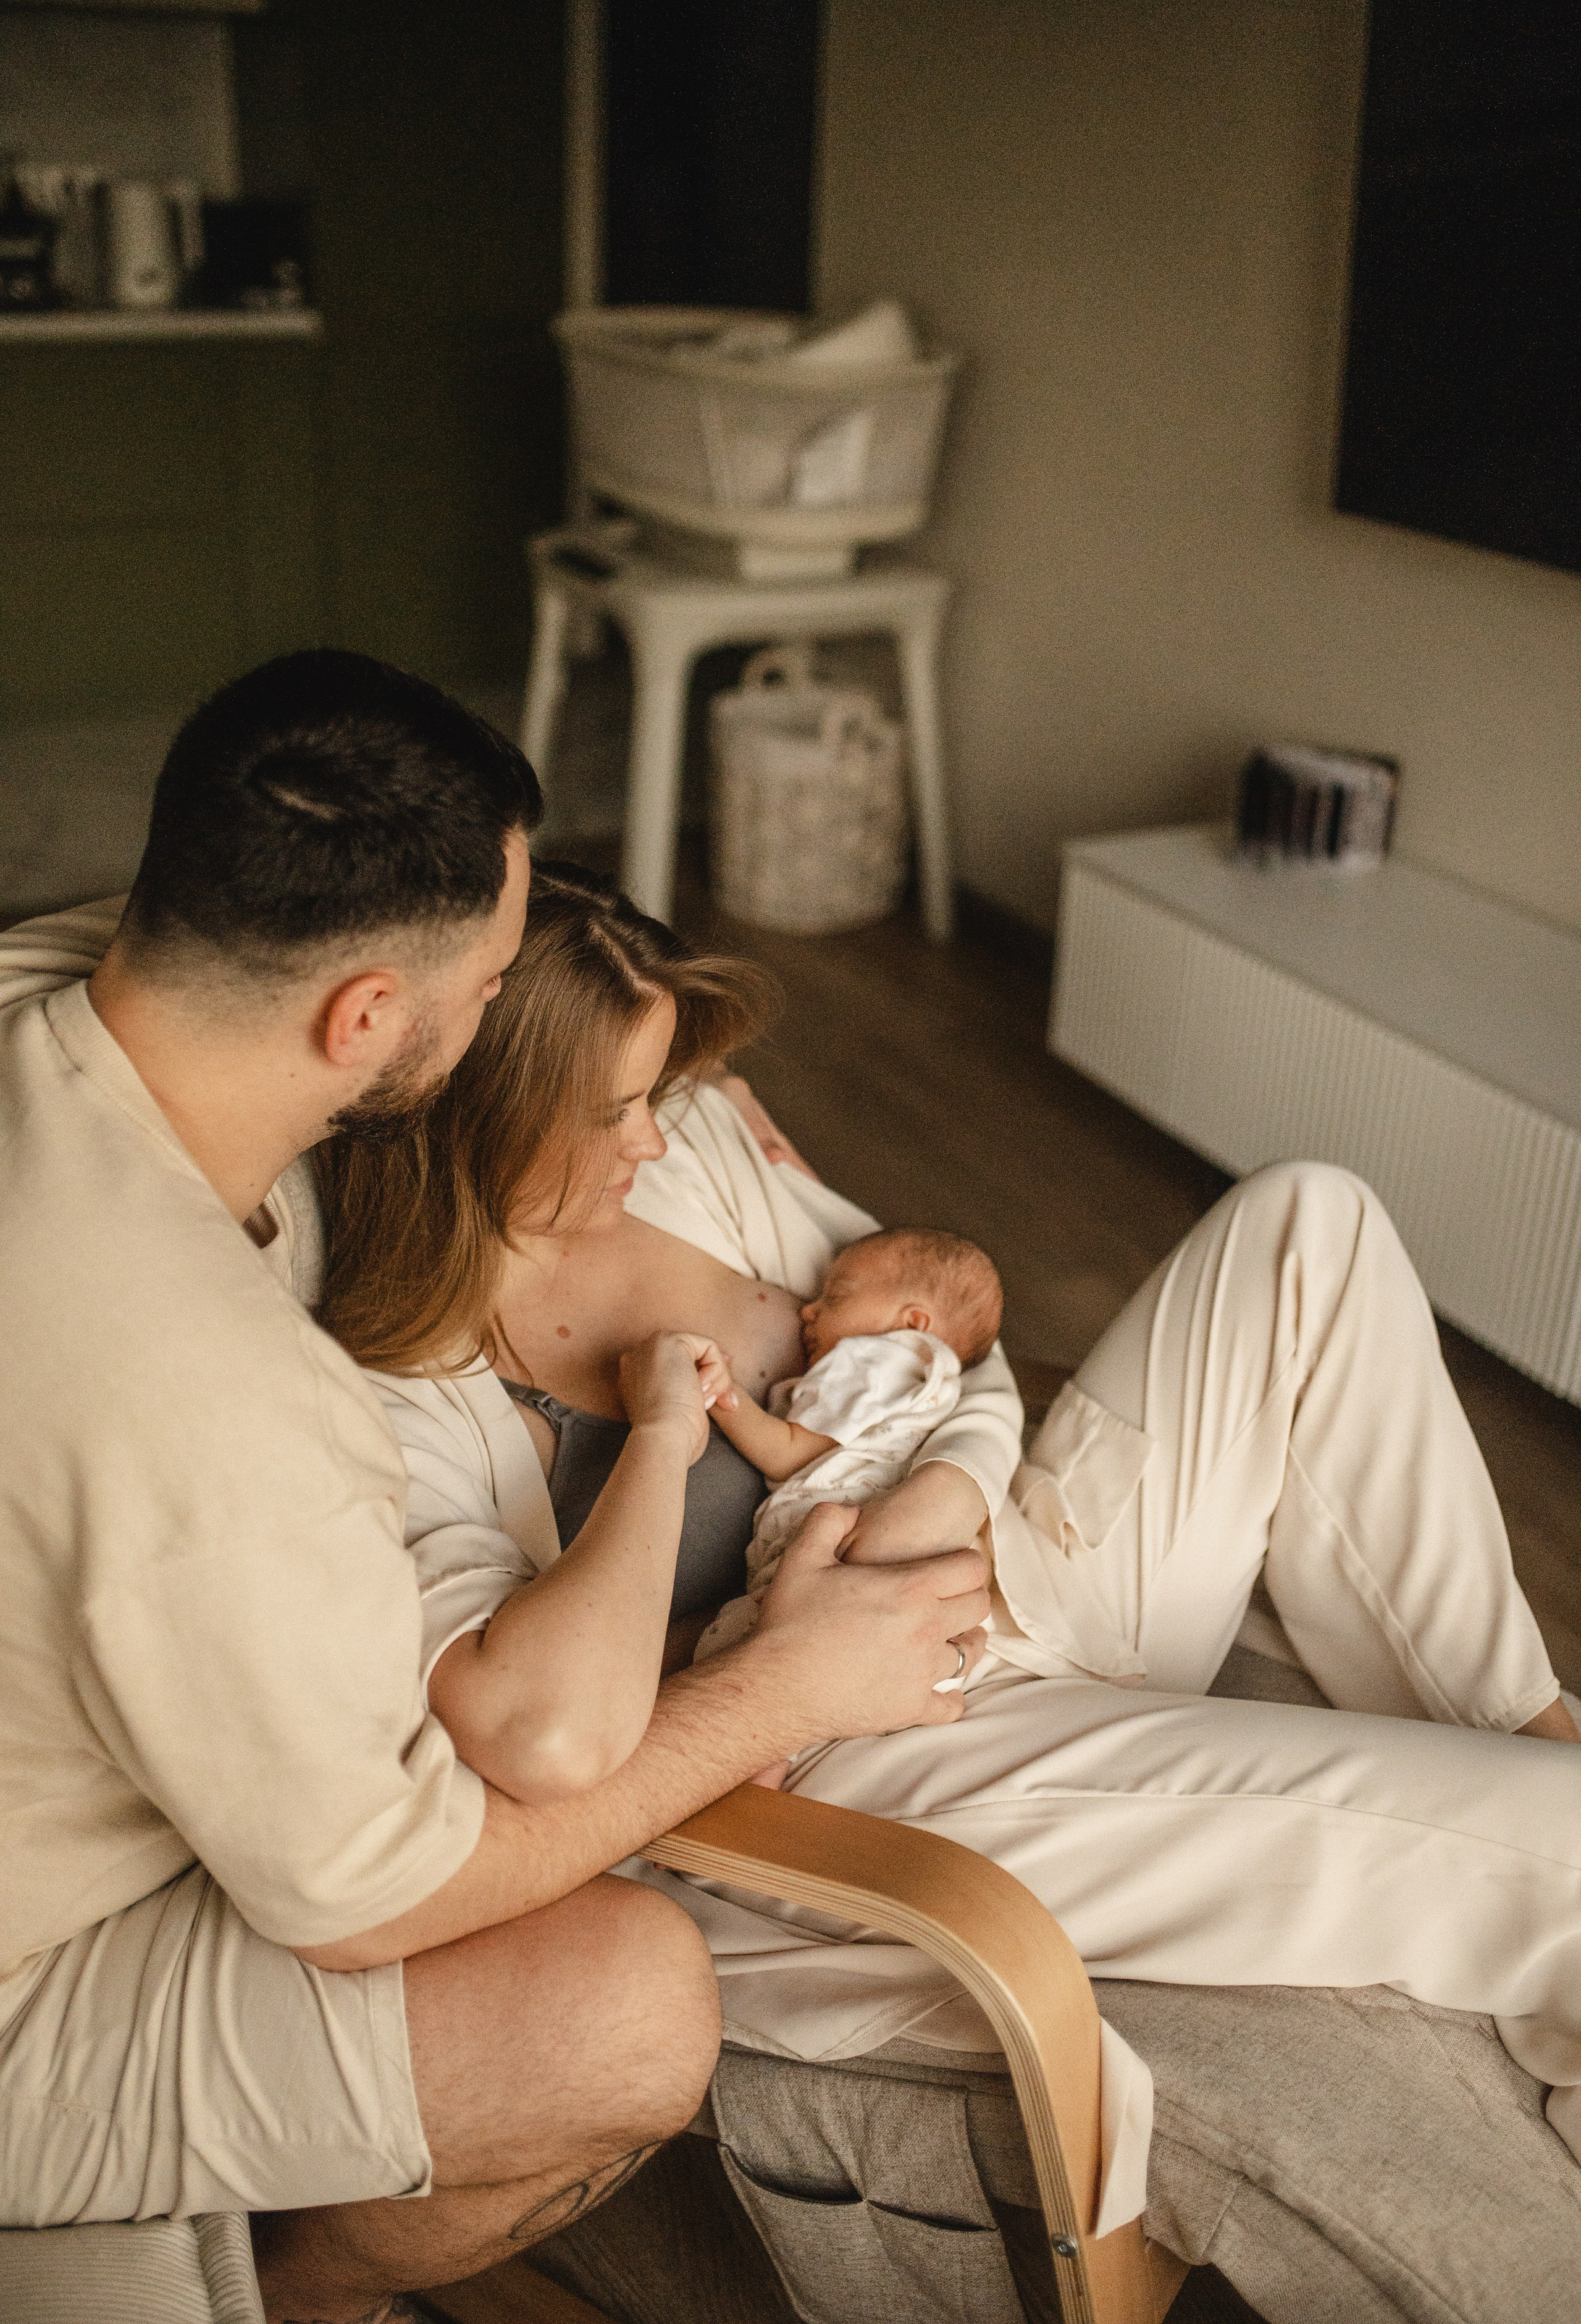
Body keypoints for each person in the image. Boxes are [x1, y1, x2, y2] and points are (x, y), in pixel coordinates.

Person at [316, 861, 1581, 2239]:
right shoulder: (395, 1375)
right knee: (1553, 1850)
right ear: (487, 1116)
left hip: (1009, 1571)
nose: (659, 1137)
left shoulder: (695, 1166)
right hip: (865, 1748)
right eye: (614, 1109)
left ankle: (1527, 1720)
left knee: (1308, 1221)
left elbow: (943, 1330)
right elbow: (534, 1730)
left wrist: (959, 1496)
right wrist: (767, 1644)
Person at [0, 660, 989, 2324]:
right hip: (34, 1983)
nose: (493, 1005)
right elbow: (374, 1898)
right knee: (625, 2010)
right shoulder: (225, 1400)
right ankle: (312, 2303)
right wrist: (783, 1686)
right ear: (367, 1021)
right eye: (483, 982)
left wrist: (667, 1109)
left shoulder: (61, 988)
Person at [695, 1227, 1005, 1661]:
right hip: (887, 1559)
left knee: (729, 1651)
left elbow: (787, 1453)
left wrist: (719, 1391)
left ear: (912, 1323)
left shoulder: (875, 1359)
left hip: (832, 1542)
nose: (808, 1311)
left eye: (835, 1298)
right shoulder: (934, 1383)